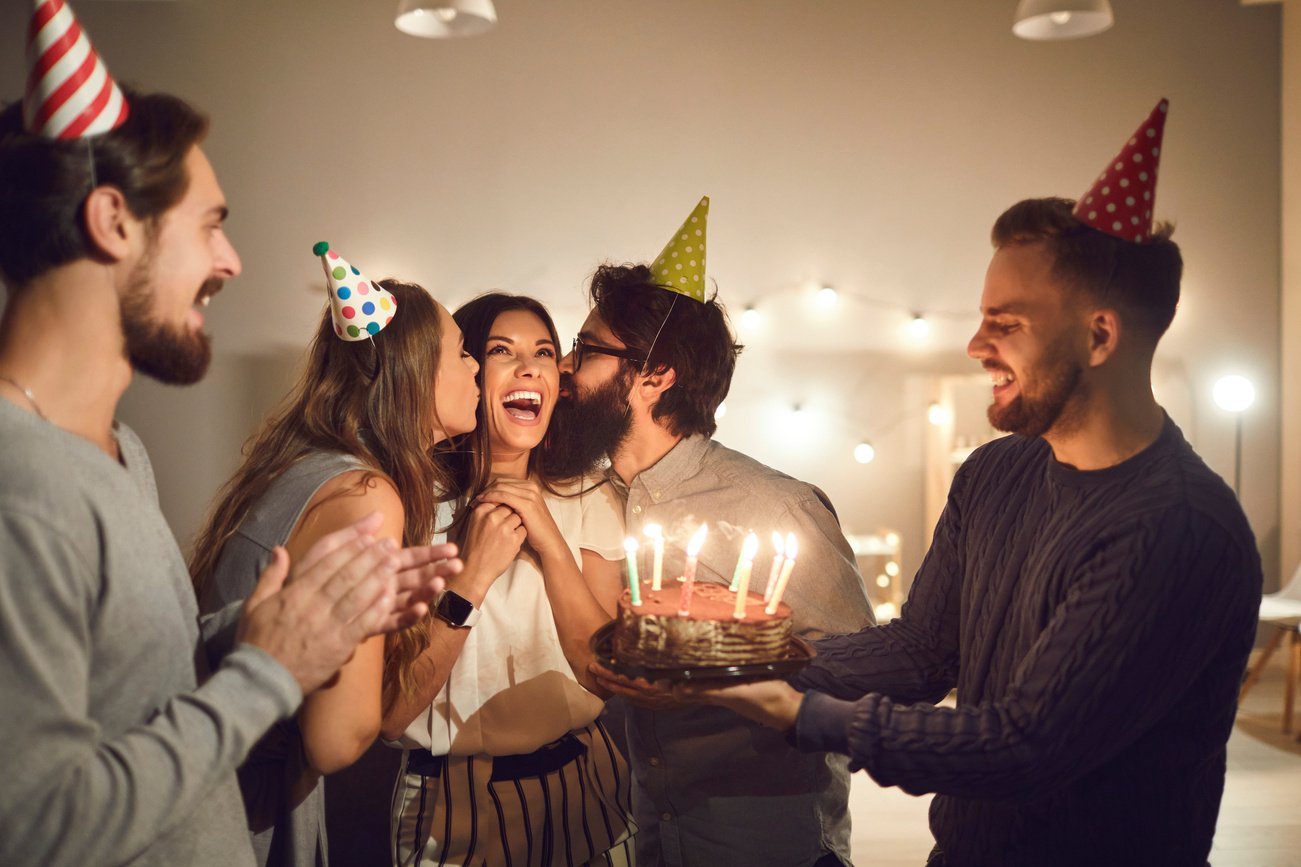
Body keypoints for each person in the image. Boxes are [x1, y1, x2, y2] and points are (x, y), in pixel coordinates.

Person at [680, 103, 1263, 867]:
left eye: (1006, 321)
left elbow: (1024, 746)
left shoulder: (1176, 528)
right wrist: (745, 658)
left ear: (1099, 335)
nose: (974, 342)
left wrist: (800, 713)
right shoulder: (995, 473)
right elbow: (924, 649)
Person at [0, 45, 455, 867]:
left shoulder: (116, 451)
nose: (230, 261)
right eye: (210, 224)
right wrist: (269, 672)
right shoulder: (18, 483)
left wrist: (278, 625)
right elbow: (32, 828)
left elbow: (136, 683)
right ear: (112, 222)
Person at [561, 199, 875, 867]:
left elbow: (861, 675)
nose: (565, 365)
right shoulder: (587, 505)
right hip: (647, 833)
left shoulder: (777, 508)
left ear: (653, 376)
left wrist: (716, 679)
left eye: (585, 349)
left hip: (765, 840)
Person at [189, 244, 480, 867]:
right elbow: (337, 738)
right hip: (242, 821)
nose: (476, 364)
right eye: (461, 350)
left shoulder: (306, 464)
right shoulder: (366, 496)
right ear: (416, 371)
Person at [383, 292, 637, 866]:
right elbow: (390, 712)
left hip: (589, 782)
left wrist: (547, 538)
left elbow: (606, 674)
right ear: (469, 371)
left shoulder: (590, 495)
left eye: (545, 352)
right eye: (503, 350)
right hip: (449, 804)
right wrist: (472, 575)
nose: (529, 367)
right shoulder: (405, 506)